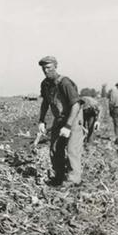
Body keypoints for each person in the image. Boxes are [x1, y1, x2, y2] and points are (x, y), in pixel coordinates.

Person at [37, 56, 85, 186]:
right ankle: (59, 176)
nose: (46, 71)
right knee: (55, 147)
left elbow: (76, 105)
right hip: (60, 118)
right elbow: (45, 102)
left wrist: (68, 126)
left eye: (48, 68)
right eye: (43, 68)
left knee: (72, 149)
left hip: (73, 118)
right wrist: (41, 120)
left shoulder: (64, 82)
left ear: (55, 67)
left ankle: (74, 180)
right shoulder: (45, 84)